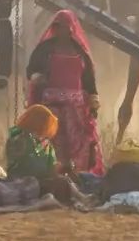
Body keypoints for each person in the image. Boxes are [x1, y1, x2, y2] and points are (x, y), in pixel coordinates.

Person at [25, 10, 104, 175]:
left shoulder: (81, 53)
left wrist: (93, 101)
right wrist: (37, 78)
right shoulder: (44, 49)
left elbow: (89, 81)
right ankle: (52, 174)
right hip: (50, 107)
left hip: (76, 111)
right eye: (59, 27)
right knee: (52, 142)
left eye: (66, 28)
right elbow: (31, 71)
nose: (63, 31)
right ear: (55, 27)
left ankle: (78, 175)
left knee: (78, 145)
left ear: (72, 29)